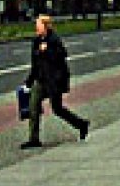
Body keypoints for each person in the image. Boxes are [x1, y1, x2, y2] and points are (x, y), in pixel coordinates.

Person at [21, 14, 90, 148]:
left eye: (39, 25)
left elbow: (61, 56)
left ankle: (81, 124)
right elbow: (35, 64)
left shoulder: (54, 40)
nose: (36, 27)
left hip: (54, 81)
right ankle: (34, 139)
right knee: (33, 106)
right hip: (41, 80)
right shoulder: (36, 41)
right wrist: (28, 82)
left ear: (45, 26)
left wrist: (46, 51)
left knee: (57, 109)